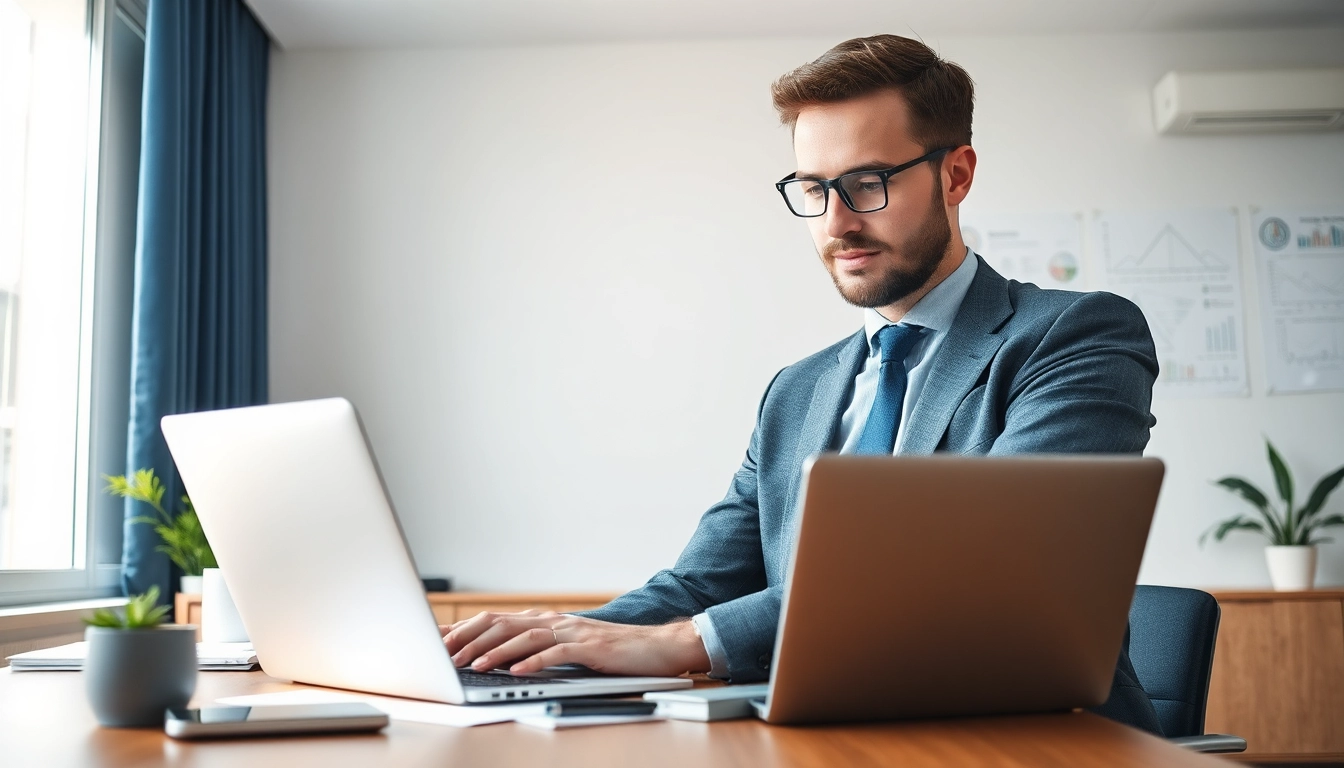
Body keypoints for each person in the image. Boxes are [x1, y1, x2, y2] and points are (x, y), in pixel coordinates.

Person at [443, 34, 1163, 734]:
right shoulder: (797, 391)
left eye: (867, 184)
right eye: (814, 189)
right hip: (820, 736)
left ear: (956, 176)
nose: (836, 222)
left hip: (1030, 737)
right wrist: (553, 640)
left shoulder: (1074, 335)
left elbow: (992, 557)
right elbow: (702, 585)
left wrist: (689, 642)